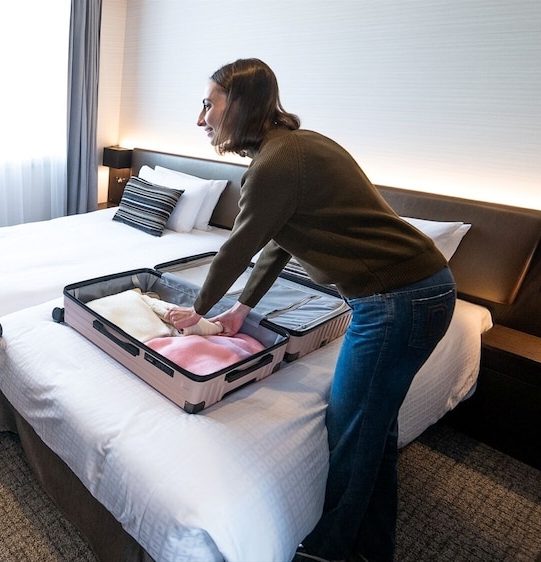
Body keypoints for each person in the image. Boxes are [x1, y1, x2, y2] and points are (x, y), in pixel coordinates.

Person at [165, 59, 457, 562]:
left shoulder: (275, 164)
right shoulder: (295, 148)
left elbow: (237, 247)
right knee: (372, 429)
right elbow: (279, 241)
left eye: (208, 105)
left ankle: (327, 552)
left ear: (239, 105)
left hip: (396, 299)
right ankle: (371, 549)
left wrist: (197, 308)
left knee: (350, 430)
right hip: (415, 293)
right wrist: (242, 307)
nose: (200, 118)